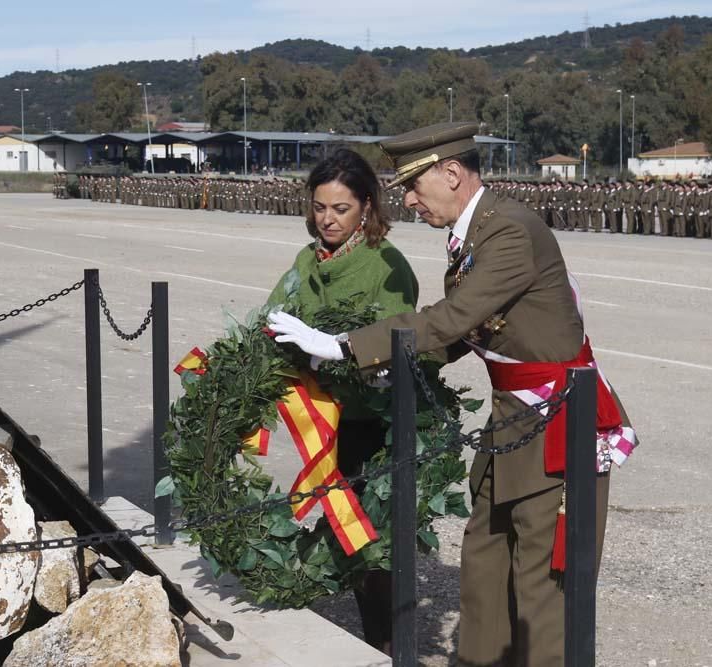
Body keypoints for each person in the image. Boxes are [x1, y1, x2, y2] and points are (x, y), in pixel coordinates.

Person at [267, 122, 637, 666]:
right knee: (485, 562)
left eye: (414, 186)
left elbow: (457, 315)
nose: (409, 199)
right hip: (514, 421)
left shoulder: (509, 230)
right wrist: (401, 369)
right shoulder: (475, 233)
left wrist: (345, 346)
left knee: (541, 582)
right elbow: (473, 332)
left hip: (557, 423)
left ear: (452, 173)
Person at [267, 148, 418, 655]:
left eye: (340, 209)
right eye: (319, 207)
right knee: (343, 531)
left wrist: (330, 354)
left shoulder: (385, 265)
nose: (326, 219)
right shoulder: (306, 261)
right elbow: (272, 313)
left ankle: (391, 647)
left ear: (368, 207)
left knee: (373, 541)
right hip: (326, 421)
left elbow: (396, 351)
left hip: (373, 423)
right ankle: (374, 638)